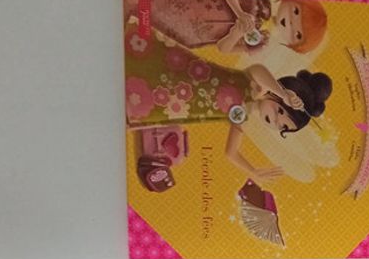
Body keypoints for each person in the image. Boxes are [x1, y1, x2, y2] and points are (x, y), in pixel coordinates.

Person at [125, 32, 333, 186]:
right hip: (191, 75)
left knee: (148, 105)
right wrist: (284, 93)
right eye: (280, 111)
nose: (275, 120)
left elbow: (231, 152)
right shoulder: (253, 83)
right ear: (278, 96)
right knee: (157, 72)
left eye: (282, 127)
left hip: (186, 107)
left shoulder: (243, 116)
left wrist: (253, 171)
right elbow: (260, 72)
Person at [124, 0, 327, 55]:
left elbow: (224, 48)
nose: (290, 23)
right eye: (296, 12)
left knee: (150, 17)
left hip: (190, 30)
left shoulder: (260, 40)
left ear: (291, 43)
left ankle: (133, 8)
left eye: (297, 34)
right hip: (196, 1)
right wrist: (239, 12)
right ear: (294, 0)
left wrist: (237, 32)